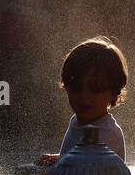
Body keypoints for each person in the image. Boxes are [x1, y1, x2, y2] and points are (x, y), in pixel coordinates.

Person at [38, 37, 128, 165]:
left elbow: (87, 174)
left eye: (96, 88)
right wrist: (60, 157)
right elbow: (80, 158)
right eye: (76, 87)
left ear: (114, 92)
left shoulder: (107, 135)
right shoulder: (76, 120)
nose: (84, 96)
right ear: (66, 86)